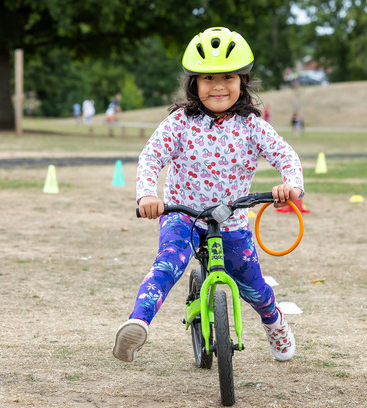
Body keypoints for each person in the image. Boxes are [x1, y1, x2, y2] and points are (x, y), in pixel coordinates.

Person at [113, 27, 304, 364]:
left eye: (228, 77)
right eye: (208, 78)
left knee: (253, 286)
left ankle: (275, 323)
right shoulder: (179, 123)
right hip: (183, 214)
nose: (218, 86)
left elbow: (285, 156)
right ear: (193, 85)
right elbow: (152, 157)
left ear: (242, 81)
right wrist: (147, 196)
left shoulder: (252, 127)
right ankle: (137, 323)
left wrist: (290, 185)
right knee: (168, 264)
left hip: (231, 219)